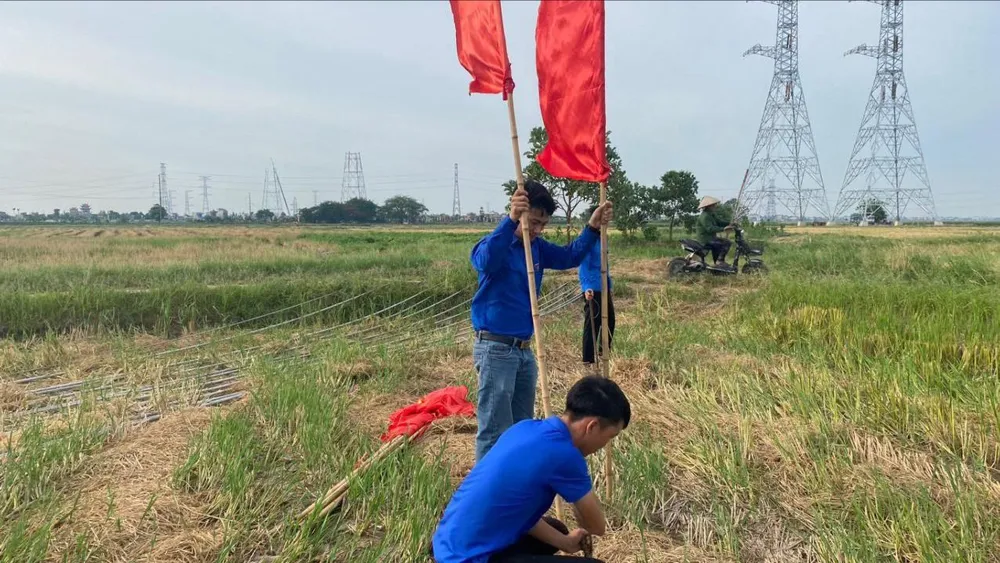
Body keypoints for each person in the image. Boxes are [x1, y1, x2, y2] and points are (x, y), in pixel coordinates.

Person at [469, 180, 612, 462]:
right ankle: (488, 490)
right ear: (518, 212)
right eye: (533, 222)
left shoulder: (536, 247)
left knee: (521, 427)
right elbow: (484, 262)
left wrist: (593, 227)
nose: (537, 230)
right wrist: (510, 221)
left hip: (523, 350)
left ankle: (517, 479)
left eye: (542, 225)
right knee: (494, 429)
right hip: (495, 349)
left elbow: (569, 256)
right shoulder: (495, 244)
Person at [431, 375, 631, 563]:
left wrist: (565, 543)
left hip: (448, 545)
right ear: (592, 426)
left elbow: (517, 511)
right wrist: (577, 491)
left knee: (557, 530)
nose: (604, 445)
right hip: (469, 558)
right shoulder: (564, 454)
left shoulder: (525, 428)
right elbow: (595, 526)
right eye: (610, 437)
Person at [578, 205, 614, 373]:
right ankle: (588, 359)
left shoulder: (602, 238)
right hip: (592, 287)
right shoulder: (588, 239)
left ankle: (603, 351)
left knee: (610, 321)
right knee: (592, 323)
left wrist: (610, 285)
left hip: (604, 286)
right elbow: (583, 266)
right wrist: (586, 287)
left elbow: (605, 265)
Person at [696, 196, 734, 267]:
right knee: (726, 243)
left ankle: (717, 263)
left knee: (720, 243)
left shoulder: (711, 214)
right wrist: (724, 229)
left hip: (711, 238)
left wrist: (730, 223)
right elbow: (710, 229)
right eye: (714, 205)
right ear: (709, 206)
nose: (715, 206)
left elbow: (719, 222)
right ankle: (720, 261)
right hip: (705, 239)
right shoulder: (705, 216)